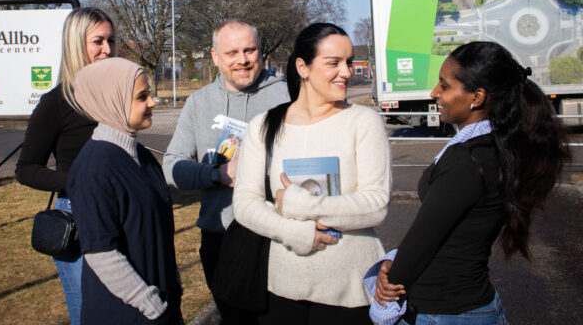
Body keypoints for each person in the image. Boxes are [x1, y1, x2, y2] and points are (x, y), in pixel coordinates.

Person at [373, 41, 571, 325]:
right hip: (467, 306)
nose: (434, 93)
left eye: (444, 85)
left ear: (476, 97)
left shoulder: (468, 160)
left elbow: (423, 240)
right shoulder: (494, 146)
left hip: (447, 312)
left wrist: (391, 278)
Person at [233, 22, 391, 324]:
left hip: (349, 289)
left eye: (348, 62)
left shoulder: (364, 122)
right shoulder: (263, 125)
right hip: (282, 288)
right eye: (333, 63)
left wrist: (300, 205)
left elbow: (376, 204)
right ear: (302, 67)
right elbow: (245, 204)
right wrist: (293, 231)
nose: (345, 72)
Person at [162, 18, 289, 323]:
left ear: (261, 52)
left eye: (250, 50)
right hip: (221, 237)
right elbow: (171, 166)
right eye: (232, 53)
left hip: (277, 236)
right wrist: (216, 175)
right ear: (215, 56)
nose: (242, 60)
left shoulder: (287, 97)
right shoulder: (198, 102)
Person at [15, 6, 115, 325]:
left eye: (111, 40)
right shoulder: (56, 103)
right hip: (78, 217)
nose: (108, 49)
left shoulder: (115, 96)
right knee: (91, 313)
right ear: (75, 44)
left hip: (118, 214)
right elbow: (26, 168)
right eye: (98, 41)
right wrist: (75, 181)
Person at [67, 58, 183, 324]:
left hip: (160, 305)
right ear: (112, 100)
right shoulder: (93, 168)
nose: (152, 102)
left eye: (149, 94)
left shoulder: (140, 154)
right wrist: (149, 303)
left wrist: (171, 281)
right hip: (127, 312)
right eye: (142, 97)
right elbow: (101, 253)